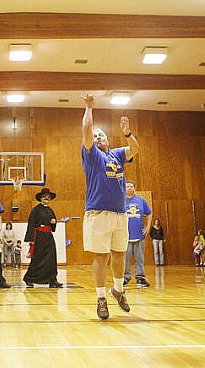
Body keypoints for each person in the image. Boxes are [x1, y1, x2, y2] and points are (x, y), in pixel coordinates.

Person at [81, 94, 140, 319]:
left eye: (101, 135)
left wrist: (127, 133)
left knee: (119, 254)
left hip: (120, 214)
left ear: (107, 139)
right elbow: (87, 130)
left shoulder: (116, 154)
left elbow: (135, 148)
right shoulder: (92, 156)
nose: (97, 137)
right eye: (95, 136)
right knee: (101, 257)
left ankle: (118, 290)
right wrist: (88, 107)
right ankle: (100, 297)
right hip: (98, 214)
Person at [23, 187, 62, 288]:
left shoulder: (50, 210)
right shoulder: (35, 210)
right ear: (40, 198)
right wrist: (31, 239)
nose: (46, 198)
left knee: (51, 259)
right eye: (44, 197)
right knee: (37, 258)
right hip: (39, 237)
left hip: (49, 237)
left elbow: (53, 227)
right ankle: (29, 278)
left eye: (48, 197)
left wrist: (54, 223)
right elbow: (31, 224)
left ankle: (52, 280)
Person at [123, 181, 152, 288]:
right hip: (125, 236)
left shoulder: (141, 200)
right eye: (127, 187)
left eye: (131, 186)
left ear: (134, 188)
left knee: (139, 258)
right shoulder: (120, 200)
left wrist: (148, 226)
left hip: (139, 235)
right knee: (125, 259)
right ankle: (125, 278)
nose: (129, 188)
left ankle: (140, 278)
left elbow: (149, 213)